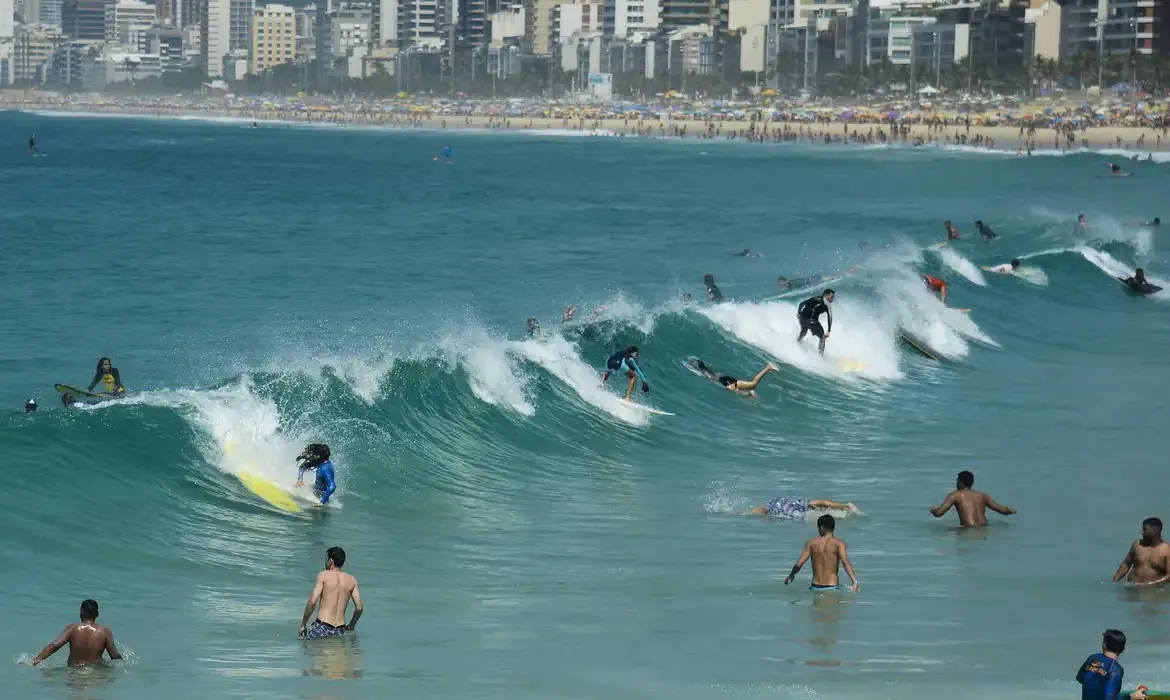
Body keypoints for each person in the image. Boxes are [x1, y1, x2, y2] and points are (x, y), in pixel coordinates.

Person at [28, 599, 122, 667]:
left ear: (81, 612)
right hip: (95, 675)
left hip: (74, 673)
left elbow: (54, 645)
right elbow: (115, 657)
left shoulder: (73, 629)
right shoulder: (105, 632)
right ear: (97, 614)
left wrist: (35, 660)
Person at [299, 546, 363, 640]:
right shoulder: (352, 580)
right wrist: (351, 625)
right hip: (340, 630)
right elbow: (359, 607)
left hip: (322, 626)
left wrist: (303, 624)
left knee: (310, 650)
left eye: (326, 559)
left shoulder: (323, 575)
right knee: (335, 654)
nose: (325, 562)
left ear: (331, 561)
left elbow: (312, 602)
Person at [784, 514, 859, 592]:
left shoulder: (811, 543)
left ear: (821, 527)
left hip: (814, 587)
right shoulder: (839, 543)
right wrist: (854, 581)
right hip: (831, 587)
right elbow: (845, 562)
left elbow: (799, 563)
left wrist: (791, 575)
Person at [929, 470, 1016, 527]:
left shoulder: (955, 495)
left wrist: (933, 510)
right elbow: (1002, 510)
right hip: (984, 529)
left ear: (961, 482)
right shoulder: (982, 495)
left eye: (957, 481)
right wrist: (1011, 510)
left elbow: (939, 513)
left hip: (968, 530)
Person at [1076, 630, 1145, 700]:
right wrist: (1131, 697)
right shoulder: (1116, 669)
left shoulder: (1093, 658)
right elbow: (1110, 698)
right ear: (1123, 649)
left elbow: (1080, 678)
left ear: (1104, 645)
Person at [1112, 517, 1170, 586]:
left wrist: (1146, 584)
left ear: (1155, 530)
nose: (1142, 532)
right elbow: (1126, 564)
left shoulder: (1167, 550)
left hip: (1151, 590)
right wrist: (1114, 582)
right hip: (1131, 587)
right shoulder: (1137, 545)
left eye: (1145, 530)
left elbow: (1169, 576)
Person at [692, 359, 778, 397]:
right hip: (724, 380)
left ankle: (768, 367)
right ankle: (768, 367)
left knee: (753, 384)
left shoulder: (731, 388)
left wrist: (750, 394)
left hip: (727, 382)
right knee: (751, 386)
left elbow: (738, 392)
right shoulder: (730, 387)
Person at [797, 288, 835, 355]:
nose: (832, 299)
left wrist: (799, 313)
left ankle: (797, 343)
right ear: (826, 295)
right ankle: (821, 357)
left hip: (802, 319)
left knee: (804, 332)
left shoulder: (815, 298)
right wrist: (829, 330)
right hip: (812, 321)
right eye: (831, 297)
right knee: (822, 337)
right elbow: (830, 317)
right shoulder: (827, 305)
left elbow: (801, 304)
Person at [746, 497, 858, 519]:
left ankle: (847, 506)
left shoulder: (806, 509)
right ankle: (847, 506)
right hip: (779, 505)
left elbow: (826, 503)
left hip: (778, 504)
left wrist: (846, 506)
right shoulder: (805, 509)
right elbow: (826, 503)